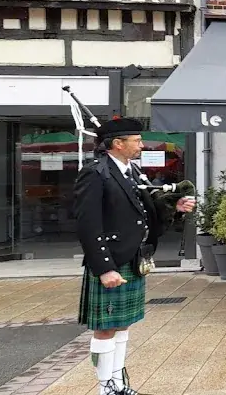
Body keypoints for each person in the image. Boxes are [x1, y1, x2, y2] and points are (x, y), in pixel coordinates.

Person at [75, 117, 196, 395]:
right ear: (118, 144)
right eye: (137, 140)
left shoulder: (132, 171)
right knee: (106, 328)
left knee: (123, 324)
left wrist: (174, 206)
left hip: (133, 257)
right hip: (112, 259)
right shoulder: (96, 172)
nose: (141, 144)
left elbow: (146, 211)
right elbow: (88, 223)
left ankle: (118, 382)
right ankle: (105, 387)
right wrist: (104, 267)